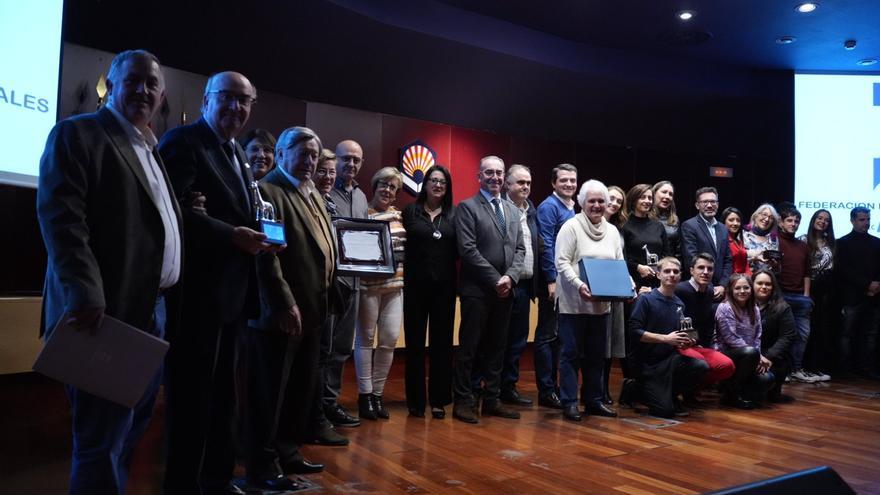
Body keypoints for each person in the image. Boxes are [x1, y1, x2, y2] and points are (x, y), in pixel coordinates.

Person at [37, 49, 181, 495]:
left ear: (161, 96)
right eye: (133, 80)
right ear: (111, 85)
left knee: (128, 431)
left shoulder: (149, 147)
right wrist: (85, 292)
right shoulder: (78, 134)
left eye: (151, 84)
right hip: (103, 315)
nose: (142, 90)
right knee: (100, 441)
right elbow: (62, 219)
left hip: (149, 310)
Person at [160, 70, 272, 494]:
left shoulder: (236, 153)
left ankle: (218, 479)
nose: (236, 108)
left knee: (224, 396)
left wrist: (261, 234)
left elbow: (234, 211)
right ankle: (184, 484)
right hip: (198, 298)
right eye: (227, 97)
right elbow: (172, 213)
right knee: (191, 400)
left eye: (245, 101)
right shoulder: (183, 142)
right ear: (207, 99)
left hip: (234, 297)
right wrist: (231, 235)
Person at [246, 127, 336, 490]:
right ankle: (262, 467)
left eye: (315, 155)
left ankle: (287, 450)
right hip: (283, 315)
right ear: (281, 154)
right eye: (303, 154)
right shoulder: (269, 191)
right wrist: (284, 303)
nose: (311, 161)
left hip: (312, 311)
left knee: (298, 389)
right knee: (270, 393)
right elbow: (268, 259)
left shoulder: (309, 190)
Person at [453, 156, 525, 424]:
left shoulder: (513, 210)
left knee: (498, 348)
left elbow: (520, 249)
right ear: (479, 176)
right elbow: (468, 250)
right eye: (489, 173)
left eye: (499, 173)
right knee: (469, 348)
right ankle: (463, 400)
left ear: (504, 177)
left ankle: (492, 399)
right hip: (478, 291)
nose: (494, 177)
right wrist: (496, 279)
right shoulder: (467, 208)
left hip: (506, 291)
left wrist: (510, 278)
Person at [555, 180, 624, 421]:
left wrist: (628, 285)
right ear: (582, 202)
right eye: (591, 201)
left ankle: (593, 400)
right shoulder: (571, 227)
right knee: (571, 354)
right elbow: (561, 262)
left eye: (600, 201)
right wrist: (579, 284)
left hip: (601, 305)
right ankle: (570, 402)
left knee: (596, 355)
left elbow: (618, 264)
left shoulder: (613, 231)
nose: (596, 205)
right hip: (574, 304)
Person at [622, 257, 709, 418]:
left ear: (680, 275)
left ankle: (671, 394)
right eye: (667, 271)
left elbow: (676, 335)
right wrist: (665, 339)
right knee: (665, 412)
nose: (672, 275)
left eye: (675, 272)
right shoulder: (645, 299)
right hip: (645, 363)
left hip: (668, 359)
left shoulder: (679, 304)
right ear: (658, 275)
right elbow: (634, 332)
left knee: (700, 366)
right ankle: (634, 388)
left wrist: (685, 342)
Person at [402, 165, 457, 419]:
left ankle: (439, 399)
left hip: (444, 289)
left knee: (442, 345)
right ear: (424, 184)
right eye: (433, 180)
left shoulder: (454, 215)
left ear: (447, 188)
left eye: (442, 182)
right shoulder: (410, 213)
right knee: (414, 345)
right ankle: (415, 401)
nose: (437, 185)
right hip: (414, 287)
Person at [322, 140, 369, 428]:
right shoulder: (323, 192)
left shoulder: (362, 197)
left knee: (341, 348)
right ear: (335, 160)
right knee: (324, 349)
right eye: (346, 159)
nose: (350, 165)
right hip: (330, 283)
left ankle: (330, 402)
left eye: (356, 160)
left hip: (355, 283)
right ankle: (317, 406)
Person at [305, 148, 350, 446]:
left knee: (327, 353)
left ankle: (320, 411)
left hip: (332, 289)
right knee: (315, 358)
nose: (328, 176)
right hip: (310, 291)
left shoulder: (329, 202)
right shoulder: (307, 200)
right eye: (323, 170)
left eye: (332, 172)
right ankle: (313, 417)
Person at [355, 167, 406, 420]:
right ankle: (364, 396)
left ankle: (377, 395)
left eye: (392, 187)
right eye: (383, 185)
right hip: (368, 287)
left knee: (388, 341)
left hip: (395, 288)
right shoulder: (362, 213)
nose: (387, 190)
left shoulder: (398, 216)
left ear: (396, 193)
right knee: (365, 339)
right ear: (374, 187)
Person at [534, 163, 578, 409]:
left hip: (568, 282)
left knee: (560, 338)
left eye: (573, 180)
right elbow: (546, 244)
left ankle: (556, 386)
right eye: (564, 180)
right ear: (553, 183)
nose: (569, 184)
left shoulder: (573, 207)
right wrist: (551, 279)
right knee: (547, 336)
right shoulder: (549, 207)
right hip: (553, 283)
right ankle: (547, 390)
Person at [497, 165, 541, 407]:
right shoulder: (500, 209)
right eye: (520, 182)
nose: (525, 187)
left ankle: (508, 387)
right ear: (507, 185)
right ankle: (487, 386)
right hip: (504, 284)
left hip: (525, 285)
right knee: (496, 339)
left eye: (528, 183)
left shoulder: (531, 212)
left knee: (518, 340)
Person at [674, 253, 735, 391]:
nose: (705, 272)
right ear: (691, 270)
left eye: (710, 269)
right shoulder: (679, 289)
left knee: (727, 366)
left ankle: (696, 387)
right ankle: (683, 392)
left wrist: (702, 344)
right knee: (700, 363)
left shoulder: (709, 291)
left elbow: (706, 323)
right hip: (678, 344)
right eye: (701, 268)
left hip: (698, 343)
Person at [715, 274, 774, 409]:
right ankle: (730, 394)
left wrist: (757, 355)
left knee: (768, 378)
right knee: (750, 352)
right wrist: (757, 355)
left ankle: (742, 393)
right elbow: (731, 338)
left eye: (746, 288)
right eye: (738, 288)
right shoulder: (725, 308)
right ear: (731, 290)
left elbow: (757, 336)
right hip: (727, 353)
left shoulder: (754, 308)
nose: (742, 291)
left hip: (749, 355)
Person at [834, 207, 880, 379]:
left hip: (875, 297)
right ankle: (846, 369)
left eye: (868, 219)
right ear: (852, 220)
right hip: (852, 297)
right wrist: (867, 284)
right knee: (848, 333)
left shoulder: (877, 242)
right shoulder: (843, 243)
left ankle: (866, 368)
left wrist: (876, 285)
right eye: (862, 219)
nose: (866, 223)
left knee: (870, 334)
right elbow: (843, 270)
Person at [775, 204, 815, 384]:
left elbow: (807, 272)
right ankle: (782, 370)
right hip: (781, 296)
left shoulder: (803, 245)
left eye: (796, 221)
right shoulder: (774, 241)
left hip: (801, 297)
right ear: (781, 222)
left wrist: (806, 295)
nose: (793, 224)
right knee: (782, 335)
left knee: (803, 335)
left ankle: (797, 368)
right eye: (789, 220)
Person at [799, 209, 835, 381]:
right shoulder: (803, 240)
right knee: (808, 330)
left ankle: (817, 367)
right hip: (810, 288)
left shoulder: (831, 242)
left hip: (826, 292)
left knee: (822, 330)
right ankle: (804, 367)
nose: (823, 221)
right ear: (813, 220)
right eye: (819, 218)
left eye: (826, 220)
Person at [753, 269, 797, 403]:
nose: (764, 287)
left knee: (769, 392)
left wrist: (769, 357)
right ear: (752, 284)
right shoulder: (743, 305)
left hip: (773, 356)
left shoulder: (782, 307)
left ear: (773, 287)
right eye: (759, 283)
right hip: (750, 353)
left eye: (768, 284)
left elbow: (787, 336)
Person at [680, 186, 732, 300]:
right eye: (705, 202)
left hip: (720, 290)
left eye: (713, 202)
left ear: (717, 204)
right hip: (698, 288)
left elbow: (728, 259)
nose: (709, 205)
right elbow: (691, 258)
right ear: (697, 205)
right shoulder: (689, 226)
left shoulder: (723, 228)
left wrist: (723, 285)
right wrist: (709, 286)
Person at [602, 185, 627, 402]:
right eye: (611, 198)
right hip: (597, 290)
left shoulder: (617, 228)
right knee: (597, 342)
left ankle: (604, 388)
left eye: (619, 201)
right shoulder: (590, 223)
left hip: (615, 292)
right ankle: (593, 389)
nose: (615, 203)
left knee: (611, 343)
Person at [621, 183, 669, 291]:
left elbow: (667, 254)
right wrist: (638, 268)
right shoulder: (624, 226)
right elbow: (621, 257)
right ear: (634, 200)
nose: (647, 201)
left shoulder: (658, 226)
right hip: (634, 281)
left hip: (657, 281)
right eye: (643, 197)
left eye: (650, 198)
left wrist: (660, 270)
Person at [743, 204, 780, 273]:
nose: (767, 219)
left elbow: (777, 269)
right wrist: (754, 258)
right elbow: (736, 259)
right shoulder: (743, 235)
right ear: (756, 216)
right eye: (764, 214)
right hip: (747, 279)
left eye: (771, 217)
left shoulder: (773, 240)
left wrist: (775, 264)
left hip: (766, 280)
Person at [651, 181, 681, 265]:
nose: (667, 196)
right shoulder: (645, 216)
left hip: (668, 268)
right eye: (664, 192)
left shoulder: (674, 219)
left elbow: (678, 250)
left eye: (670, 194)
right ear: (654, 194)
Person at [721, 207, 750, 275]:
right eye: (731, 220)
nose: (735, 223)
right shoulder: (722, 241)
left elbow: (745, 265)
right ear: (724, 222)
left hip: (744, 280)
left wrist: (749, 277)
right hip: (730, 281)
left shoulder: (739, 242)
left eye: (738, 220)